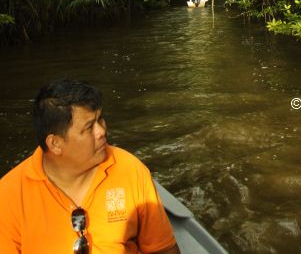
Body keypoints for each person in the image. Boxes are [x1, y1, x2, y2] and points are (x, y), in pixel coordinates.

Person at [0, 79, 180, 254]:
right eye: (88, 128)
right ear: (55, 144)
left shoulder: (130, 170)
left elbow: (163, 249)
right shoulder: (9, 197)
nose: (101, 131)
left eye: (100, 120)